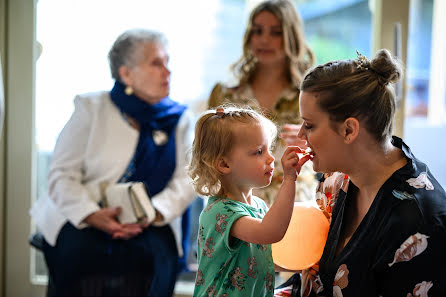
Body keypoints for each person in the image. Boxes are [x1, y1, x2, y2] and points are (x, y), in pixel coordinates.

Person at [30, 28, 197, 297]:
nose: (168, 71)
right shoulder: (91, 108)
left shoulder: (182, 119)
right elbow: (61, 175)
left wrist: (149, 213)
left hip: (151, 219)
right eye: (156, 63)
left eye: (167, 62)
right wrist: (92, 215)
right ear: (126, 73)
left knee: (153, 260)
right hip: (84, 215)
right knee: (81, 256)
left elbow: (188, 180)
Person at [275, 49, 446, 297]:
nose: (301, 135)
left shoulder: (419, 224)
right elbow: (313, 279)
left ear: (349, 130)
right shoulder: (336, 180)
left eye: (309, 125)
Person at [188, 106, 312, 297]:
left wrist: (305, 266)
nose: (271, 158)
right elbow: (270, 232)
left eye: (269, 149)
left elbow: (260, 258)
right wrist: (289, 180)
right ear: (224, 164)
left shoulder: (259, 206)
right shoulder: (220, 212)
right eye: (258, 152)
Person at [208, 0, 317, 205]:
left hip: (293, 204)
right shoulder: (225, 93)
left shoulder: (311, 95)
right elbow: (206, 153)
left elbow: (334, 154)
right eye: (258, 31)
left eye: (275, 32)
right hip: (234, 205)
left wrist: (313, 144)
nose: (264, 40)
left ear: (291, 37)